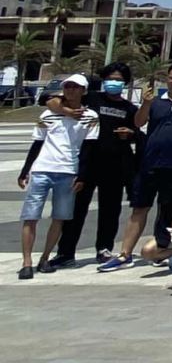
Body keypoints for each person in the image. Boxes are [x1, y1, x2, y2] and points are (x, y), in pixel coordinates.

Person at [100, 61, 172, 272]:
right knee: (140, 208)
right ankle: (125, 254)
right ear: (167, 79)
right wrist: (146, 104)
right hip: (150, 163)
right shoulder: (156, 102)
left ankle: (162, 250)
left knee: (168, 212)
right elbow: (138, 123)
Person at [54, 64, 140, 267]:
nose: (114, 82)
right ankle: (66, 252)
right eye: (110, 78)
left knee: (110, 210)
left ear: (124, 83)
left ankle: (103, 249)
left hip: (116, 165)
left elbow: (138, 132)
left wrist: (130, 134)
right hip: (87, 164)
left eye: (118, 79)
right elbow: (50, 101)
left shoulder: (129, 108)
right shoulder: (91, 98)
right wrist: (66, 110)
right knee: (76, 209)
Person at [17, 77, 98, 279]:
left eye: (75, 87)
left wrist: (82, 176)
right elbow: (37, 142)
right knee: (30, 216)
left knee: (59, 218)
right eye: (67, 87)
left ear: (84, 91)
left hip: (68, 171)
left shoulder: (90, 116)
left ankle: (45, 258)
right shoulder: (48, 114)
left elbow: (88, 148)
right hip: (42, 168)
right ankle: (26, 262)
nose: (70, 90)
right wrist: (25, 170)